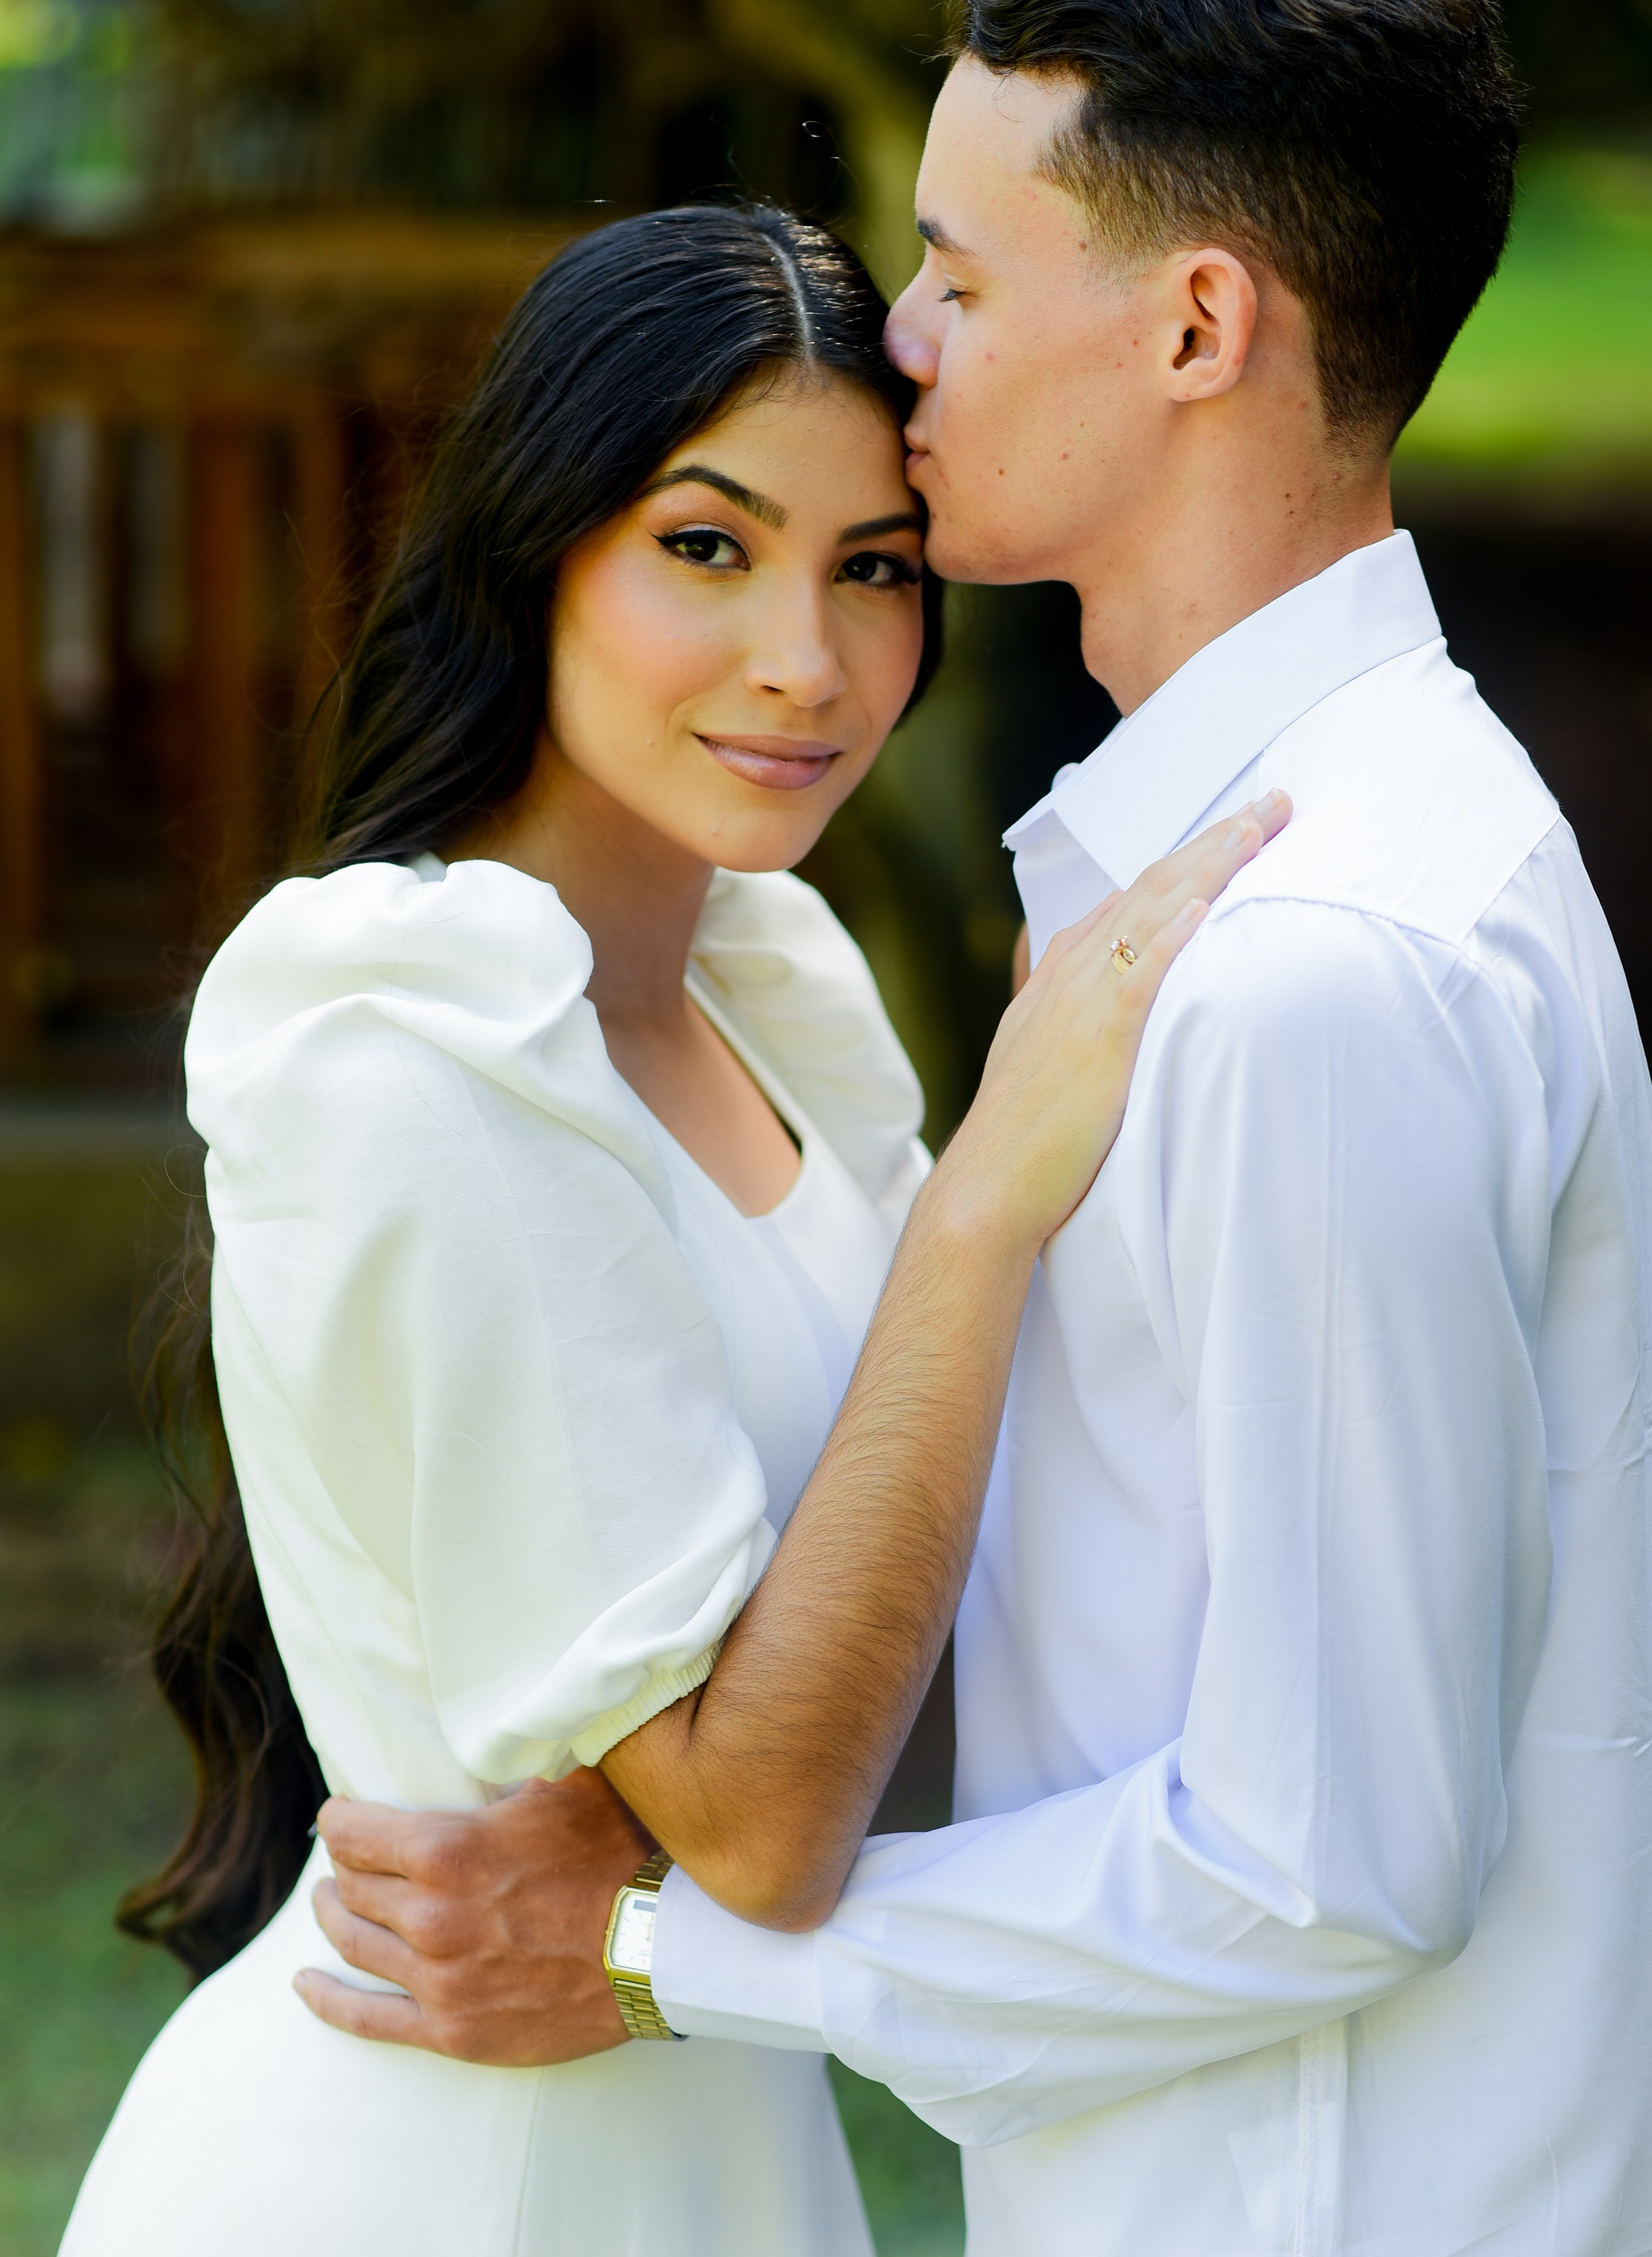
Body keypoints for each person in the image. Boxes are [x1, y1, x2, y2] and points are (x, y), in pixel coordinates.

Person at [297, 0, 1652, 2257]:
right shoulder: (1295, 864)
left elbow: (1330, 1857)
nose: (903, 343)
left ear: (1198, 324)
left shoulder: (1313, 967)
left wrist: (655, 1954)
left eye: (960, 272)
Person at [61, 203, 1276, 2256]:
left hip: (709, 2149)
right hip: (443, 2178)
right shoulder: (416, 1045)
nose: (807, 659)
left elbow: (931, 1650)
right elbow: (767, 1822)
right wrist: (987, 1201)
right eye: (707, 545)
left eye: (873, 567)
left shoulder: (761, 997)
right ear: (534, 550)